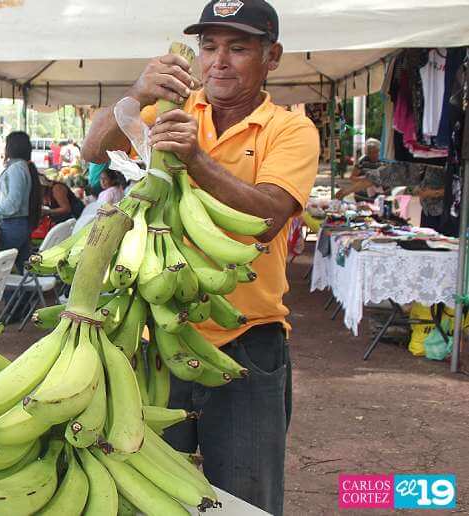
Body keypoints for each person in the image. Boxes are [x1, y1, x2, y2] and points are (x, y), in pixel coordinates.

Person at [82, 2, 319, 514]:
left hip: (245, 340)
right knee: (151, 493)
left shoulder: (289, 129)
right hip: (158, 338)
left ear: (272, 57)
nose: (219, 61)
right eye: (209, 47)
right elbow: (94, 150)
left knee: (245, 498)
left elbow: (270, 215)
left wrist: (196, 160)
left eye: (238, 48)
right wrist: (136, 93)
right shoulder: (174, 109)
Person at [0, 131, 42, 272]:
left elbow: (13, 203)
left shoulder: (16, 168)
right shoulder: (22, 166)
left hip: (12, 224)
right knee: (23, 269)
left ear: (11, 147)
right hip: (20, 224)